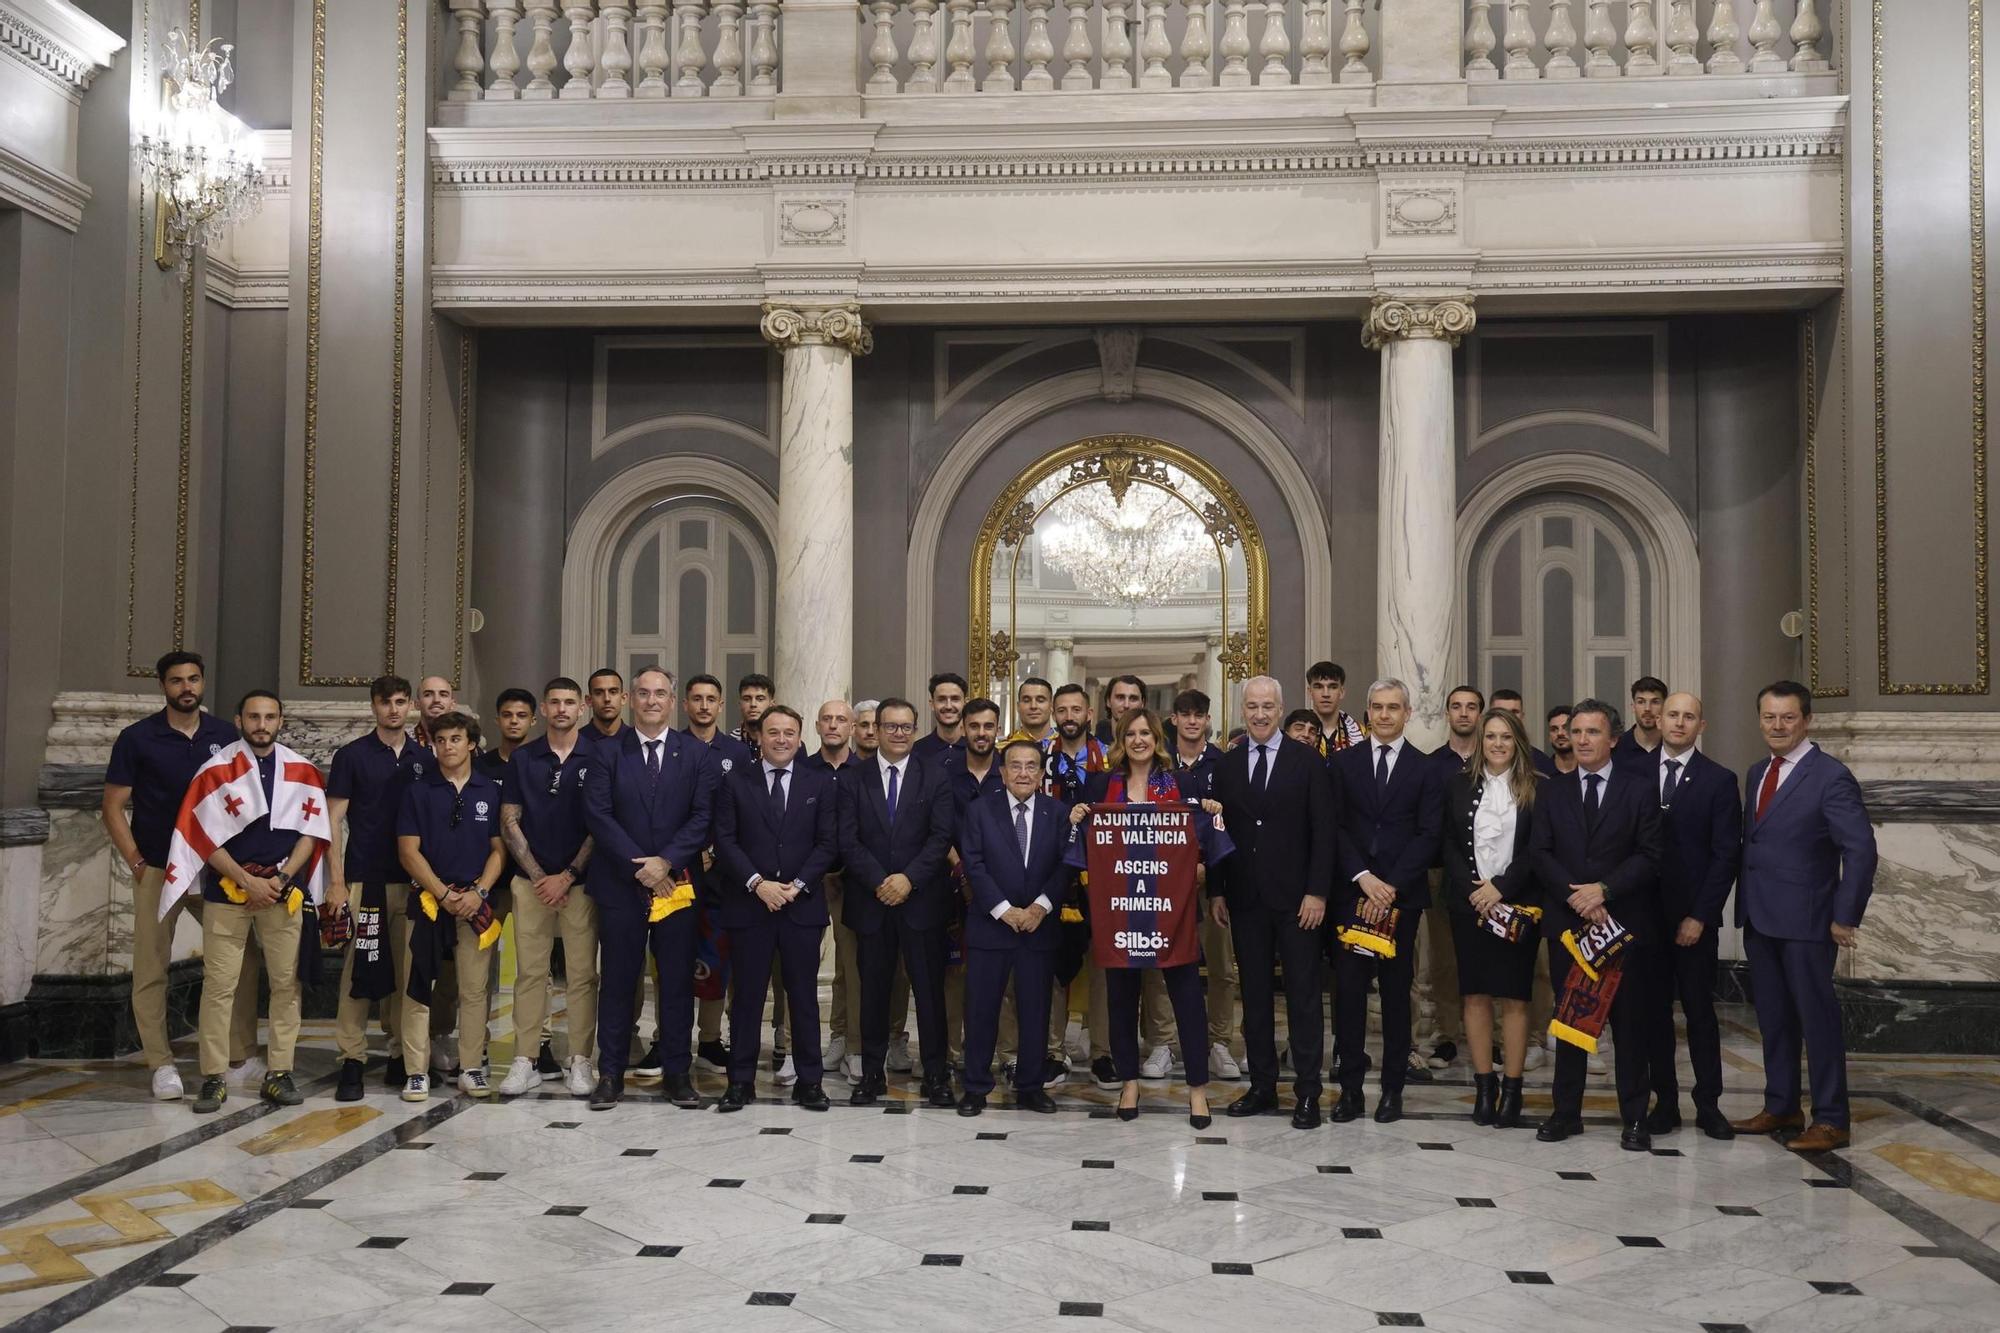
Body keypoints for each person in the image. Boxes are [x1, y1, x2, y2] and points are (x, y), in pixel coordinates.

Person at [1730, 681, 1877, 1153]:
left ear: (1807, 720)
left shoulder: (1830, 776)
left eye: (1787, 717)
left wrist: (1845, 915)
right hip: (1761, 917)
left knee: (1818, 1021)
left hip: (1810, 922)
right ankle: (1782, 1105)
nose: (1777, 726)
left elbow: (1860, 850)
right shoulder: (1758, 771)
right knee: (1774, 1019)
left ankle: (1832, 1118)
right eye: (1769, 717)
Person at [102, 651, 253, 1101]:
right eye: (176, 681)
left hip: (217, 869)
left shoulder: (227, 736)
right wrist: (135, 861)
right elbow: (112, 806)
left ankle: (237, 1052)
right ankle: (161, 1063)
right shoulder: (137, 738)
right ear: (163, 687)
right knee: (151, 966)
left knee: (236, 962)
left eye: (193, 679)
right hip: (160, 869)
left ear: (203, 683)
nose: (186, 687)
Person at [173, 690, 326, 1114]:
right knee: (220, 986)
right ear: (239, 721)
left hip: (281, 891)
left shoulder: (301, 770)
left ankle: (279, 1072)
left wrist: (279, 878)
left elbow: (311, 833)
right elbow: (201, 835)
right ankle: (214, 1077)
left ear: (281, 720)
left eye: (270, 717)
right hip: (228, 891)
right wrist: (243, 879)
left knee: (285, 984)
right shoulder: (216, 770)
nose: (262, 724)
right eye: (254, 717)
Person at [1070, 708, 1225, 1127]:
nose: (1139, 740)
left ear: (1158, 739)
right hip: (1120, 909)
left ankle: (1197, 1090)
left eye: (1146, 733)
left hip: (1171, 909)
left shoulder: (1179, 782)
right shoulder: (1104, 783)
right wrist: (1078, 817)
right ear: (1121, 739)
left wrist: (1208, 811)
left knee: (1188, 1000)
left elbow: (1200, 836)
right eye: (1131, 733)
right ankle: (1129, 1082)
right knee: (1121, 1000)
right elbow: (1085, 838)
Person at [1531, 698, 1664, 1150]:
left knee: (1628, 1026)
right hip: (1570, 924)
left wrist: (1603, 891)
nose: (1581, 740)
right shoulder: (1552, 790)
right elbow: (1540, 853)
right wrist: (1578, 896)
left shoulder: (1640, 788)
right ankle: (1565, 1112)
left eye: (1592, 732)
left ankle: (1634, 1118)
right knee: (1569, 1021)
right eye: (1576, 731)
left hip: (1622, 923)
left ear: (1614, 739)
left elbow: (1650, 854)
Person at [581, 666, 715, 1110]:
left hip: (676, 885)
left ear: (673, 702)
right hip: (621, 884)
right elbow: (598, 815)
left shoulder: (694, 754)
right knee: (619, 981)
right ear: (629, 700)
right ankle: (611, 1074)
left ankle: (678, 1074)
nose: (652, 700)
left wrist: (665, 863)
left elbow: (702, 817)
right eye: (643, 693)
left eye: (660, 693)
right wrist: (642, 866)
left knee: (676, 981)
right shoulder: (605, 753)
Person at [1210, 676, 1337, 1129]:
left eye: (1268, 706)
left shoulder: (1307, 762)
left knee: (1303, 999)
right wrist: (1218, 890)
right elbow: (1219, 835)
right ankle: (1263, 1085)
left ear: (1281, 709)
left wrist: (1318, 891)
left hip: (1299, 900)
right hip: (1245, 899)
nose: (1260, 714)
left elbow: (1324, 832)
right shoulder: (1225, 766)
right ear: (1242, 710)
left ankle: (1307, 1093)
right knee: (1256, 997)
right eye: (1252, 706)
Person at [713, 704, 839, 1112]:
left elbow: (828, 843)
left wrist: (797, 886)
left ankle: (810, 1081)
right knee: (747, 998)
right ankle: (740, 1081)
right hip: (750, 907)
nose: (781, 739)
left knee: (803, 998)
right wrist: (758, 884)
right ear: (759, 737)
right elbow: (726, 841)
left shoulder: (819, 783)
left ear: (800, 738)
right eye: (773, 732)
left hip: (801, 909)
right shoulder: (735, 781)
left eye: (789, 733)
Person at [1329, 679, 1443, 1124]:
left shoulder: (1426, 768)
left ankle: (1392, 1089)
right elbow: (1335, 827)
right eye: (1376, 707)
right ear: (1367, 711)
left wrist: (1389, 886)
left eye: (1393, 707)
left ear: (1407, 713)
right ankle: (1351, 1091)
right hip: (1354, 894)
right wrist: (1363, 878)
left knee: (1397, 995)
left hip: (1401, 897)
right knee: (1351, 995)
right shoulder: (1343, 764)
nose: (1384, 715)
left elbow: (1429, 833)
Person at [838, 697, 957, 1107]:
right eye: (890, 726)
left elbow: (941, 837)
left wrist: (907, 879)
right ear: (874, 729)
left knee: (928, 993)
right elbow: (847, 840)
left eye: (906, 727)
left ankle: (937, 1074)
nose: (898, 734)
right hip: (872, 902)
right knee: (873, 993)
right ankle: (871, 1075)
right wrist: (880, 881)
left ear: (915, 729)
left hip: (921, 901)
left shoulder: (935, 776)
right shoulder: (855, 777)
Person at [1641, 691, 1742, 1140]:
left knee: (1700, 1013)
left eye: (1689, 717)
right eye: (1672, 715)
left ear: (1701, 726)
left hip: (1695, 920)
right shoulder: (1634, 774)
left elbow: (1726, 857)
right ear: (1657, 720)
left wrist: (1700, 916)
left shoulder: (1719, 780)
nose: (1679, 723)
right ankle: (1664, 1101)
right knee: (1654, 1013)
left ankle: (1709, 1104)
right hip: (1645, 917)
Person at [496, 677, 601, 1099]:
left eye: (569, 703)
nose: (561, 709)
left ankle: (580, 1060)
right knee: (530, 974)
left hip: (582, 884)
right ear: (543, 709)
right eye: (554, 702)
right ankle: (526, 1059)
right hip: (531, 884)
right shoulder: (523, 759)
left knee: (581, 975)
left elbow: (601, 823)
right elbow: (509, 820)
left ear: (583, 708)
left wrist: (569, 875)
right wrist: (541, 877)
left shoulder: (600, 756)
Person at [326, 674, 428, 1101]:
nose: (393, 709)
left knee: (406, 974)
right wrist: (335, 882)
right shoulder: (352, 756)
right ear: (373, 706)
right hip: (364, 879)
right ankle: (351, 1058)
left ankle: (400, 1057)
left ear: (410, 707)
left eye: (401, 702)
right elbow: (331, 820)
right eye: (386, 702)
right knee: (357, 970)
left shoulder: (425, 757)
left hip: (412, 881)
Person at [396, 711, 507, 1098]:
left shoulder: (489, 791)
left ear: (472, 744)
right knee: (417, 986)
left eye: (456, 739)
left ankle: (472, 1066)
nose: (448, 747)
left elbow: (499, 850)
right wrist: (442, 894)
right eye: (440, 740)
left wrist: (478, 893)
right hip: (428, 901)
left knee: (474, 990)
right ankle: (416, 1070)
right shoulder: (418, 791)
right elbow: (409, 851)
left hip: (474, 906)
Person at [1442, 709, 1542, 1128]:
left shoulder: (1539, 789)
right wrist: (1474, 891)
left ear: (1517, 741)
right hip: (1470, 906)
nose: (1497, 744)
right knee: (1476, 995)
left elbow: (1540, 849)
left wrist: (1501, 888)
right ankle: (1485, 1087)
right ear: (1480, 741)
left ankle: (1513, 1089)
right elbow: (1446, 844)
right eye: (1490, 737)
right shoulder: (1457, 786)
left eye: (1505, 737)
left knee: (1516, 996)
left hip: (1517, 905)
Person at [958, 738, 1067, 1117]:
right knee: (982, 1009)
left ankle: (1031, 1086)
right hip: (991, 926)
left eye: (1031, 766)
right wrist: (1004, 910)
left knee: (1036, 1010)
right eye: (1015, 766)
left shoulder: (1059, 813)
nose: (1023, 773)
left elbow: (1065, 867)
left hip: (1038, 927)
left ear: (1040, 773)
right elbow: (973, 864)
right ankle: (975, 1087)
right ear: (1002, 772)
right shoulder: (978, 811)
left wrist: (1039, 907)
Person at [683, 672, 753, 1077]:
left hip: (724, 874)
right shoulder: (674, 747)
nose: (704, 705)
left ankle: (710, 1039)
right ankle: (667, 1037)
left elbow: (741, 813)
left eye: (711, 699)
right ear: (686, 704)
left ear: (720, 704)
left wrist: (714, 852)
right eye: (697, 698)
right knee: (674, 957)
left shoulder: (738, 753)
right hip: (678, 872)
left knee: (718, 958)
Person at [1168, 689, 1238, 1082]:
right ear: (1174, 719)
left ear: (1207, 720)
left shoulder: (1224, 765)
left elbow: (1231, 830)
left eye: (1200, 715)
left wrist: (1215, 882)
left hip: (1215, 881)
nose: (1193, 721)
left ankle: (1220, 1042)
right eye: (1186, 714)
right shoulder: (1161, 766)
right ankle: (1164, 1042)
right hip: (1168, 882)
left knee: (1222, 964)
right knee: (1166, 962)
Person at [1492, 689, 1558, 778]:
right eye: (1502, 712)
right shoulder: (1475, 760)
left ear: (1522, 716)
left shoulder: (1541, 762)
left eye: (1514, 712)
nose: (1509, 717)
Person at [1306, 660, 1366, 755]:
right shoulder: (1297, 733)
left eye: (1332, 687)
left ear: (1341, 692)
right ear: (1309, 692)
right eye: (1319, 687)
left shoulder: (1362, 734)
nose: (1326, 694)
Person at [913, 672, 969, 762]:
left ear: (965, 704)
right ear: (932, 704)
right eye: (941, 699)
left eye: (955, 699)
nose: (948, 706)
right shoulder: (915, 752)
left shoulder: (978, 750)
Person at [1614, 676, 1667, 762]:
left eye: (1655, 702)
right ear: (1633, 707)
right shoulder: (1617, 747)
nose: (1647, 708)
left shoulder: (1673, 747)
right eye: (1641, 702)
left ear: (1665, 707)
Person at [1093, 675, 1146, 744]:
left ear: (1143, 704)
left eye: (1133, 699)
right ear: (1108, 701)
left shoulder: (1155, 744)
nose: (1126, 705)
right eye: (1120, 697)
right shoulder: (1093, 745)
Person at [584, 668, 628, 750]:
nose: (607, 699)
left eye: (613, 692)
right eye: (598, 693)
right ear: (589, 700)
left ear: (623, 698)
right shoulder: (575, 741)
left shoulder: (638, 740)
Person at [735, 673, 775, 756]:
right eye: (747, 699)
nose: (753, 704)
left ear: (772, 704)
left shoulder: (786, 744)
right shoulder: (728, 744)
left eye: (760, 699)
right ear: (740, 704)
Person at [1009, 677, 1056, 744]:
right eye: (1026, 701)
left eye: (1040, 700)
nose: (1033, 706)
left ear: (1051, 706)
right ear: (1018, 706)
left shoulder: (1067, 747)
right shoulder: (1003, 750)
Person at [1545, 706, 1576, 775]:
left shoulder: (1588, 770)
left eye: (1565, 727)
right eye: (1554, 729)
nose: (1560, 733)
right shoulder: (1541, 772)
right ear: (1549, 737)